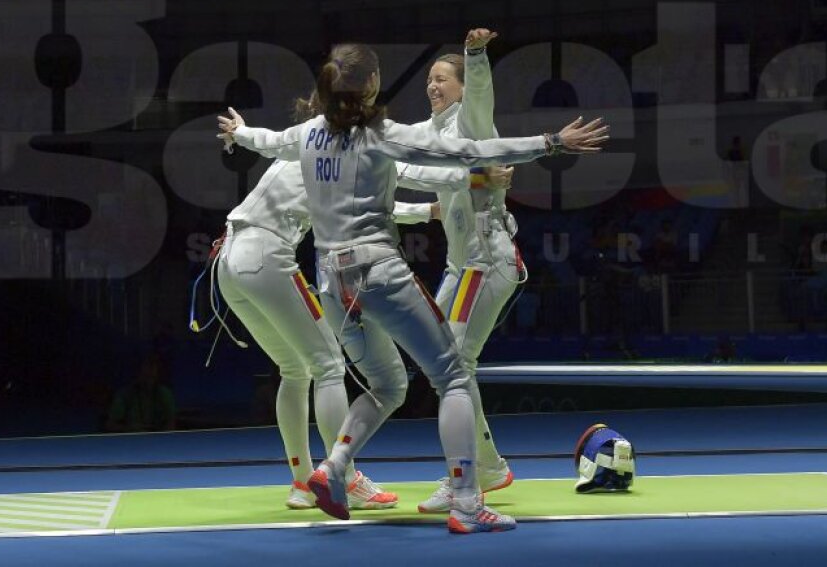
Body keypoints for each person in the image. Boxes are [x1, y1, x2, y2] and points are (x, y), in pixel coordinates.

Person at [219, 41, 607, 534]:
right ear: (372, 85)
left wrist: (240, 131)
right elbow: (465, 150)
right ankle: (468, 501)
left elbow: (268, 141)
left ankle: (334, 468)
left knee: (387, 385)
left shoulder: (309, 135)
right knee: (454, 377)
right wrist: (550, 142)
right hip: (377, 273)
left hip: (332, 283)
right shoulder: (380, 134)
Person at [213, 130, 492, 510]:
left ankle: (301, 482)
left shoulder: (296, 151)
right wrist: (471, 180)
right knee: (328, 365)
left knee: (293, 369)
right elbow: (386, 190)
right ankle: (341, 477)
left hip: (227, 258)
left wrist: (428, 211)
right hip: (265, 255)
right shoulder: (328, 156)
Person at [387, 29, 527, 513]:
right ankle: (482, 465)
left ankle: (469, 474)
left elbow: (482, 90)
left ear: (464, 89)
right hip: (459, 269)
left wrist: (475, 55)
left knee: (457, 365)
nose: (432, 85)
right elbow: (420, 190)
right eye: (429, 78)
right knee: (440, 366)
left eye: (442, 78)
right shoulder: (429, 133)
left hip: (486, 262)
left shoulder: (472, 122)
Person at [105, 356, 176, 432]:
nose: (149, 381)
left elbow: (171, 423)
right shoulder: (125, 394)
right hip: (132, 439)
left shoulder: (165, 393)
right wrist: (130, 428)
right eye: (146, 376)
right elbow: (110, 425)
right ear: (137, 374)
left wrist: (160, 437)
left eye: (152, 377)